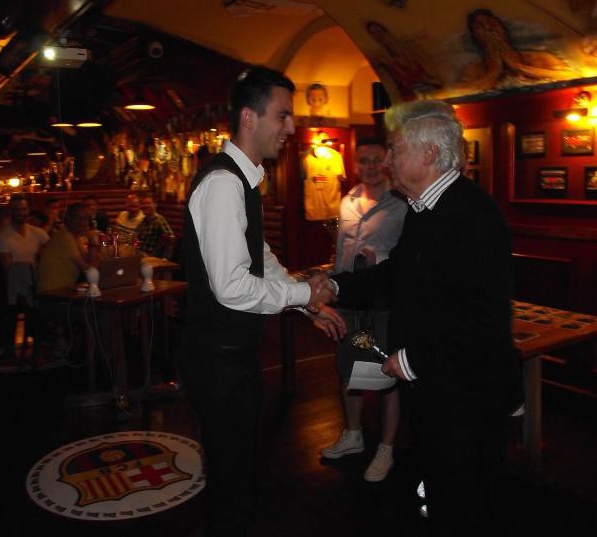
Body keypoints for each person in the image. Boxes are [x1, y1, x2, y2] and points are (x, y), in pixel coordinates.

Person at [331, 101, 522, 536]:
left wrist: (413, 360)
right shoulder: (423, 209)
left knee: (467, 502)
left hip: (467, 397)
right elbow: (395, 274)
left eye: (396, 150)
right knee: (440, 490)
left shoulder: (473, 215)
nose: (388, 161)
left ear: (430, 154)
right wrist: (336, 286)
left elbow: (484, 322)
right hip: (438, 390)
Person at [177, 66, 339, 536]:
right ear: (249, 117)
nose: (292, 126)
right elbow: (231, 287)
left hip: (230, 358)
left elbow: (258, 255)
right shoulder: (223, 184)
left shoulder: (242, 180)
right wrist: (303, 292)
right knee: (232, 482)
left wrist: (304, 302)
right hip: (217, 361)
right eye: (282, 115)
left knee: (238, 470)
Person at [319, 136, 407, 482]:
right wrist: (332, 284)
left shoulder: (402, 203)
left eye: (375, 160)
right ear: (355, 165)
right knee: (348, 368)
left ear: (387, 162)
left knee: (389, 373)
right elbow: (341, 250)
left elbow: (407, 256)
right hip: (350, 300)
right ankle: (353, 435)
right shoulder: (348, 200)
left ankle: (386, 449)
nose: (369, 167)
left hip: (384, 301)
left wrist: (379, 259)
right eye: (363, 161)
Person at [0, 194, 50, 355]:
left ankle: (47, 341)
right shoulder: (2, 236)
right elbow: (8, 269)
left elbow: (52, 253)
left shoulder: (38, 232)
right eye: (17, 210)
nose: (21, 213)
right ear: (10, 211)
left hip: (37, 280)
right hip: (15, 285)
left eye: (24, 209)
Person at [36, 203, 95, 293]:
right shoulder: (64, 237)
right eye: (78, 218)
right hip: (51, 294)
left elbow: (88, 259)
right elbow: (88, 270)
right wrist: (93, 241)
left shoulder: (73, 237)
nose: (83, 223)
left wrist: (91, 239)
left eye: (86, 219)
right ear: (69, 218)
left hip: (62, 291)